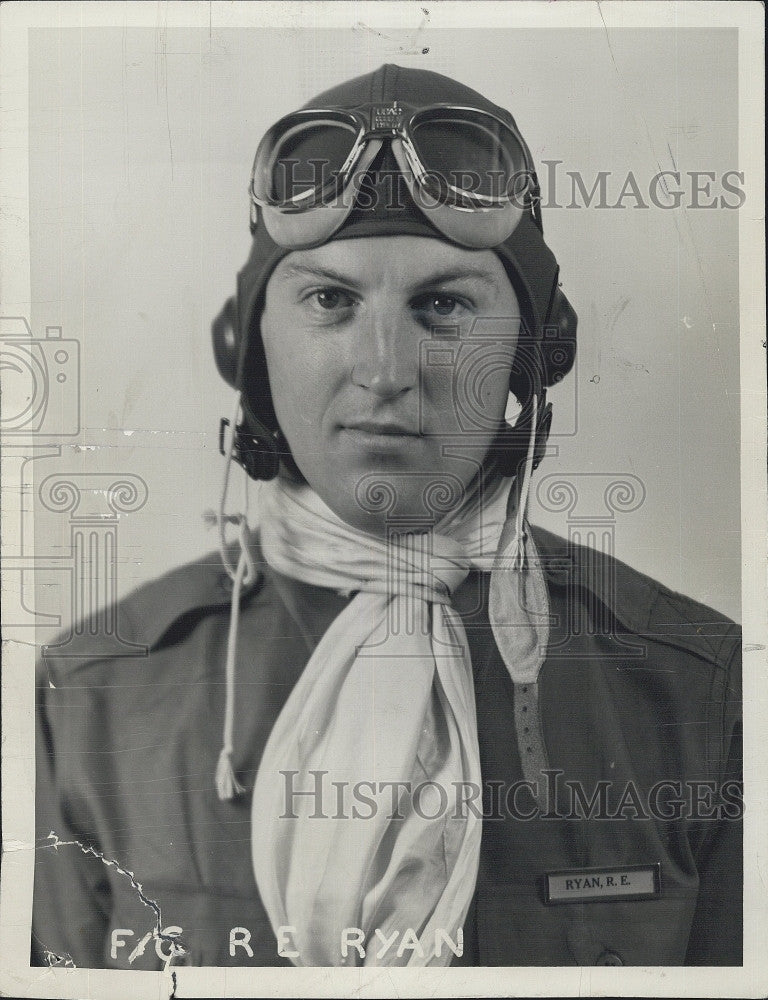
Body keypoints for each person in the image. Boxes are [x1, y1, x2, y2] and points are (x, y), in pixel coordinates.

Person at [32, 64, 742, 969]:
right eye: (330, 300)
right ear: (249, 349)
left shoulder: (697, 692)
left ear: (531, 357)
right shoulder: (93, 694)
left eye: (442, 306)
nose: (384, 371)